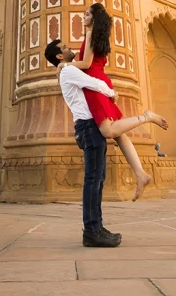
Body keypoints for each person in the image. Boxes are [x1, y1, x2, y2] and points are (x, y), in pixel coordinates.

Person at [69, 3, 169, 202]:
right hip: (100, 81)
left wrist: (66, 65)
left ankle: (146, 116)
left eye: (87, 14)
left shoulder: (90, 35)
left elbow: (86, 64)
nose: (83, 16)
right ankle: (140, 173)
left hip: (94, 85)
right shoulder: (100, 38)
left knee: (108, 131)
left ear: (94, 19)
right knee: (120, 135)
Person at [45, 39, 121, 248]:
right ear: (59, 56)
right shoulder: (68, 71)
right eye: (65, 48)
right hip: (88, 127)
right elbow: (93, 83)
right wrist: (112, 93)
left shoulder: (67, 69)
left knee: (97, 179)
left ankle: (96, 227)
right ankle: (91, 230)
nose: (70, 49)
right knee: (93, 180)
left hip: (88, 127)